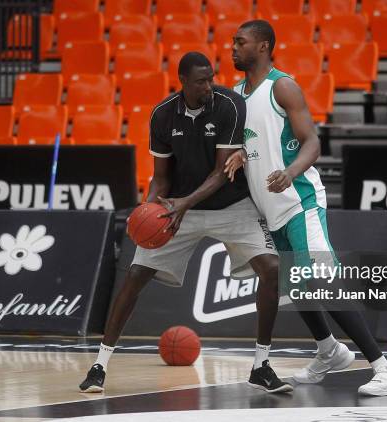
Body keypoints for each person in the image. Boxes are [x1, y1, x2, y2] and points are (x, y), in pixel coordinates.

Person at [79, 52, 292, 394]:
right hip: (177, 207)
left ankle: (261, 365)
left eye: (210, 78)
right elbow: (161, 177)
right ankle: (99, 365)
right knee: (135, 275)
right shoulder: (162, 115)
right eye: (200, 81)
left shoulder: (230, 105)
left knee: (271, 269)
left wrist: (184, 204)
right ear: (183, 81)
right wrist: (149, 209)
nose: (208, 85)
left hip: (230, 204)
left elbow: (224, 172)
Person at [224, 20, 387, 396]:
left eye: (240, 42)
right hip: (268, 209)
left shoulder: (283, 86)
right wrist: (242, 156)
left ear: (263, 47)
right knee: (299, 285)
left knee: (322, 282)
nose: (233, 48)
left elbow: (312, 143)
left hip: (299, 201)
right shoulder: (236, 94)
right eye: (232, 42)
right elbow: (256, 141)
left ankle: (384, 368)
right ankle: (329, 352)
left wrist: (290, 172)